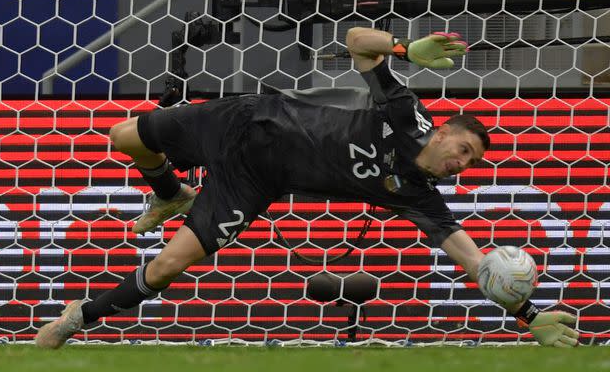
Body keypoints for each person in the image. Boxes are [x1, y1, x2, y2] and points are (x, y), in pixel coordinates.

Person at [35, 27, 579, 348]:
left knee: (168, 266)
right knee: (123, 136)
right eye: (463, 149)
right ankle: (171, 191)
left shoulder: (418, 195)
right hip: (245, 119)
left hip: (254, 182)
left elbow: (475, 261)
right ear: (441, 133)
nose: (464, 163)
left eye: (473, 162)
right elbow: (356, 43)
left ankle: (77, 319)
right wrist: (407, 49)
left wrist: (529, 318)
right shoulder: (403, 111)